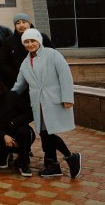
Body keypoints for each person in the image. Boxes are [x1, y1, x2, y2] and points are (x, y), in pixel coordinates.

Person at [13, 29, 81, 178]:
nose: (30, 44)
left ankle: (71, 157)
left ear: (39, 41)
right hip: (38, 104)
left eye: (32, 41)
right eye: (26, 42)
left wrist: (68, 98)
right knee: (44, 134)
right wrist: (6, 97)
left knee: (49, 133)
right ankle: (54, 166)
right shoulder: (25, 62)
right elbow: (19, 85)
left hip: (53, 100)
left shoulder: (52, 54)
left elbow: (65, 75)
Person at [0, 75, 35, 177]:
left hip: (17, 130)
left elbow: (29, 114)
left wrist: (14, 122)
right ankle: (5, 153)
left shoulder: (12, 96)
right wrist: (3, 136)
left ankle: (23, 161)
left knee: (24, 133)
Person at [4, 13, 54, 89]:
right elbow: (4, 63)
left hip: (42, 82)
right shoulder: (9, 42)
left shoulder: (42, 37)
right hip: (18, 83)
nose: (21, 25)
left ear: (29, 23)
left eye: (24, 22)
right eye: (18, 23)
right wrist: (16, 75)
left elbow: (52, 57)